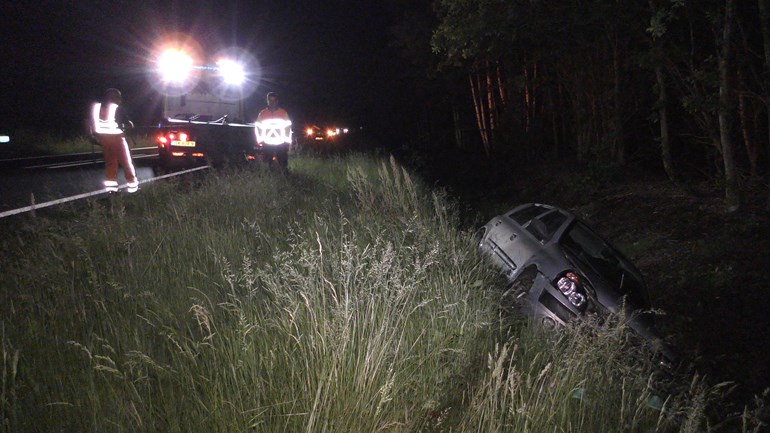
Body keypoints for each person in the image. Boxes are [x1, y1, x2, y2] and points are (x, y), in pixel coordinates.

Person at [89, 88, 138, 193]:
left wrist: (90, 136)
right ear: (115, 98)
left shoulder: (96, 107)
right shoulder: (117, 108)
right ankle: (132, 186)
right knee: (126, 162)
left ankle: (111, 189)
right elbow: (128, 125)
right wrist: (129, 125)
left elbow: (88, 121)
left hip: (103, 139)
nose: (120, 100)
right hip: (117, 138)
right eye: (118, 97)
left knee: (110, 163)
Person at [255, 92, 292, 169]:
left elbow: (288, 127)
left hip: (281, 143)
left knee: (283, 163)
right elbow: (258, 127)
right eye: (270, 100)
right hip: (267, 143)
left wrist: (287, 141)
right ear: (267, 101)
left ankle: (284, 176)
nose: (272, 102)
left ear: (277, 101)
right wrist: (260, 140)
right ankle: (269, 177)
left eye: (274, 100)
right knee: (267, 163)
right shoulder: (262, 113)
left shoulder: (283, 113)